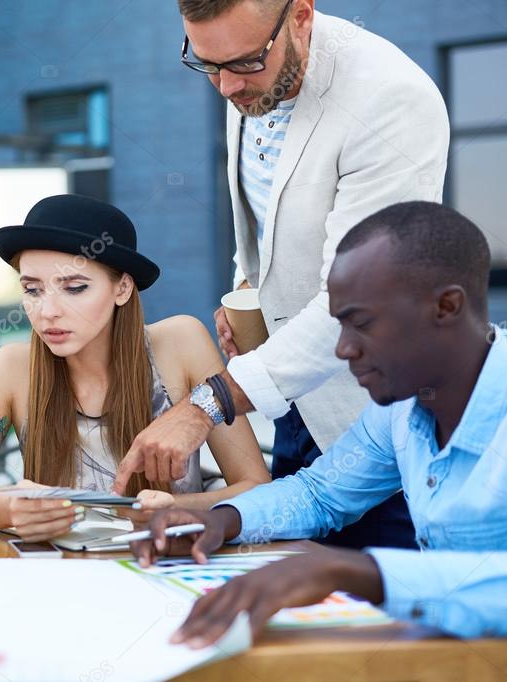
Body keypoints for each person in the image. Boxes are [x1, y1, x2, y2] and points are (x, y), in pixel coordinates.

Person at [114, 0, 450, 550]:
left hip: (383, 423)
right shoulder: (245, 71)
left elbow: (361, 299)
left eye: (243, 63)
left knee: (386, 619)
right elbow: (272, 223)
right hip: (294, 406)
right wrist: (247, 291)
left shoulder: (391, 100)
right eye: (206, 64)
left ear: (300, 16)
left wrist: (207, 404)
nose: (225, 87)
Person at [133, 202, 507, 644]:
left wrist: (350, 570)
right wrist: (222, 520)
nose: (344, 350)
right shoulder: (401, 408)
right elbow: (321, 494)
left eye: (362, 324)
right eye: (339, 326)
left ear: (446, 306)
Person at [0, 194, 270, 540]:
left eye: (74, 288)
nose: (47, 311)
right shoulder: (12, 367)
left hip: (165, 571)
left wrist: (178, 508)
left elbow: (257, 487)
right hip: (59, 579)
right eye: (32, 289)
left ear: (123, 288)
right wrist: (9, 512)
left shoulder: (181, 343)